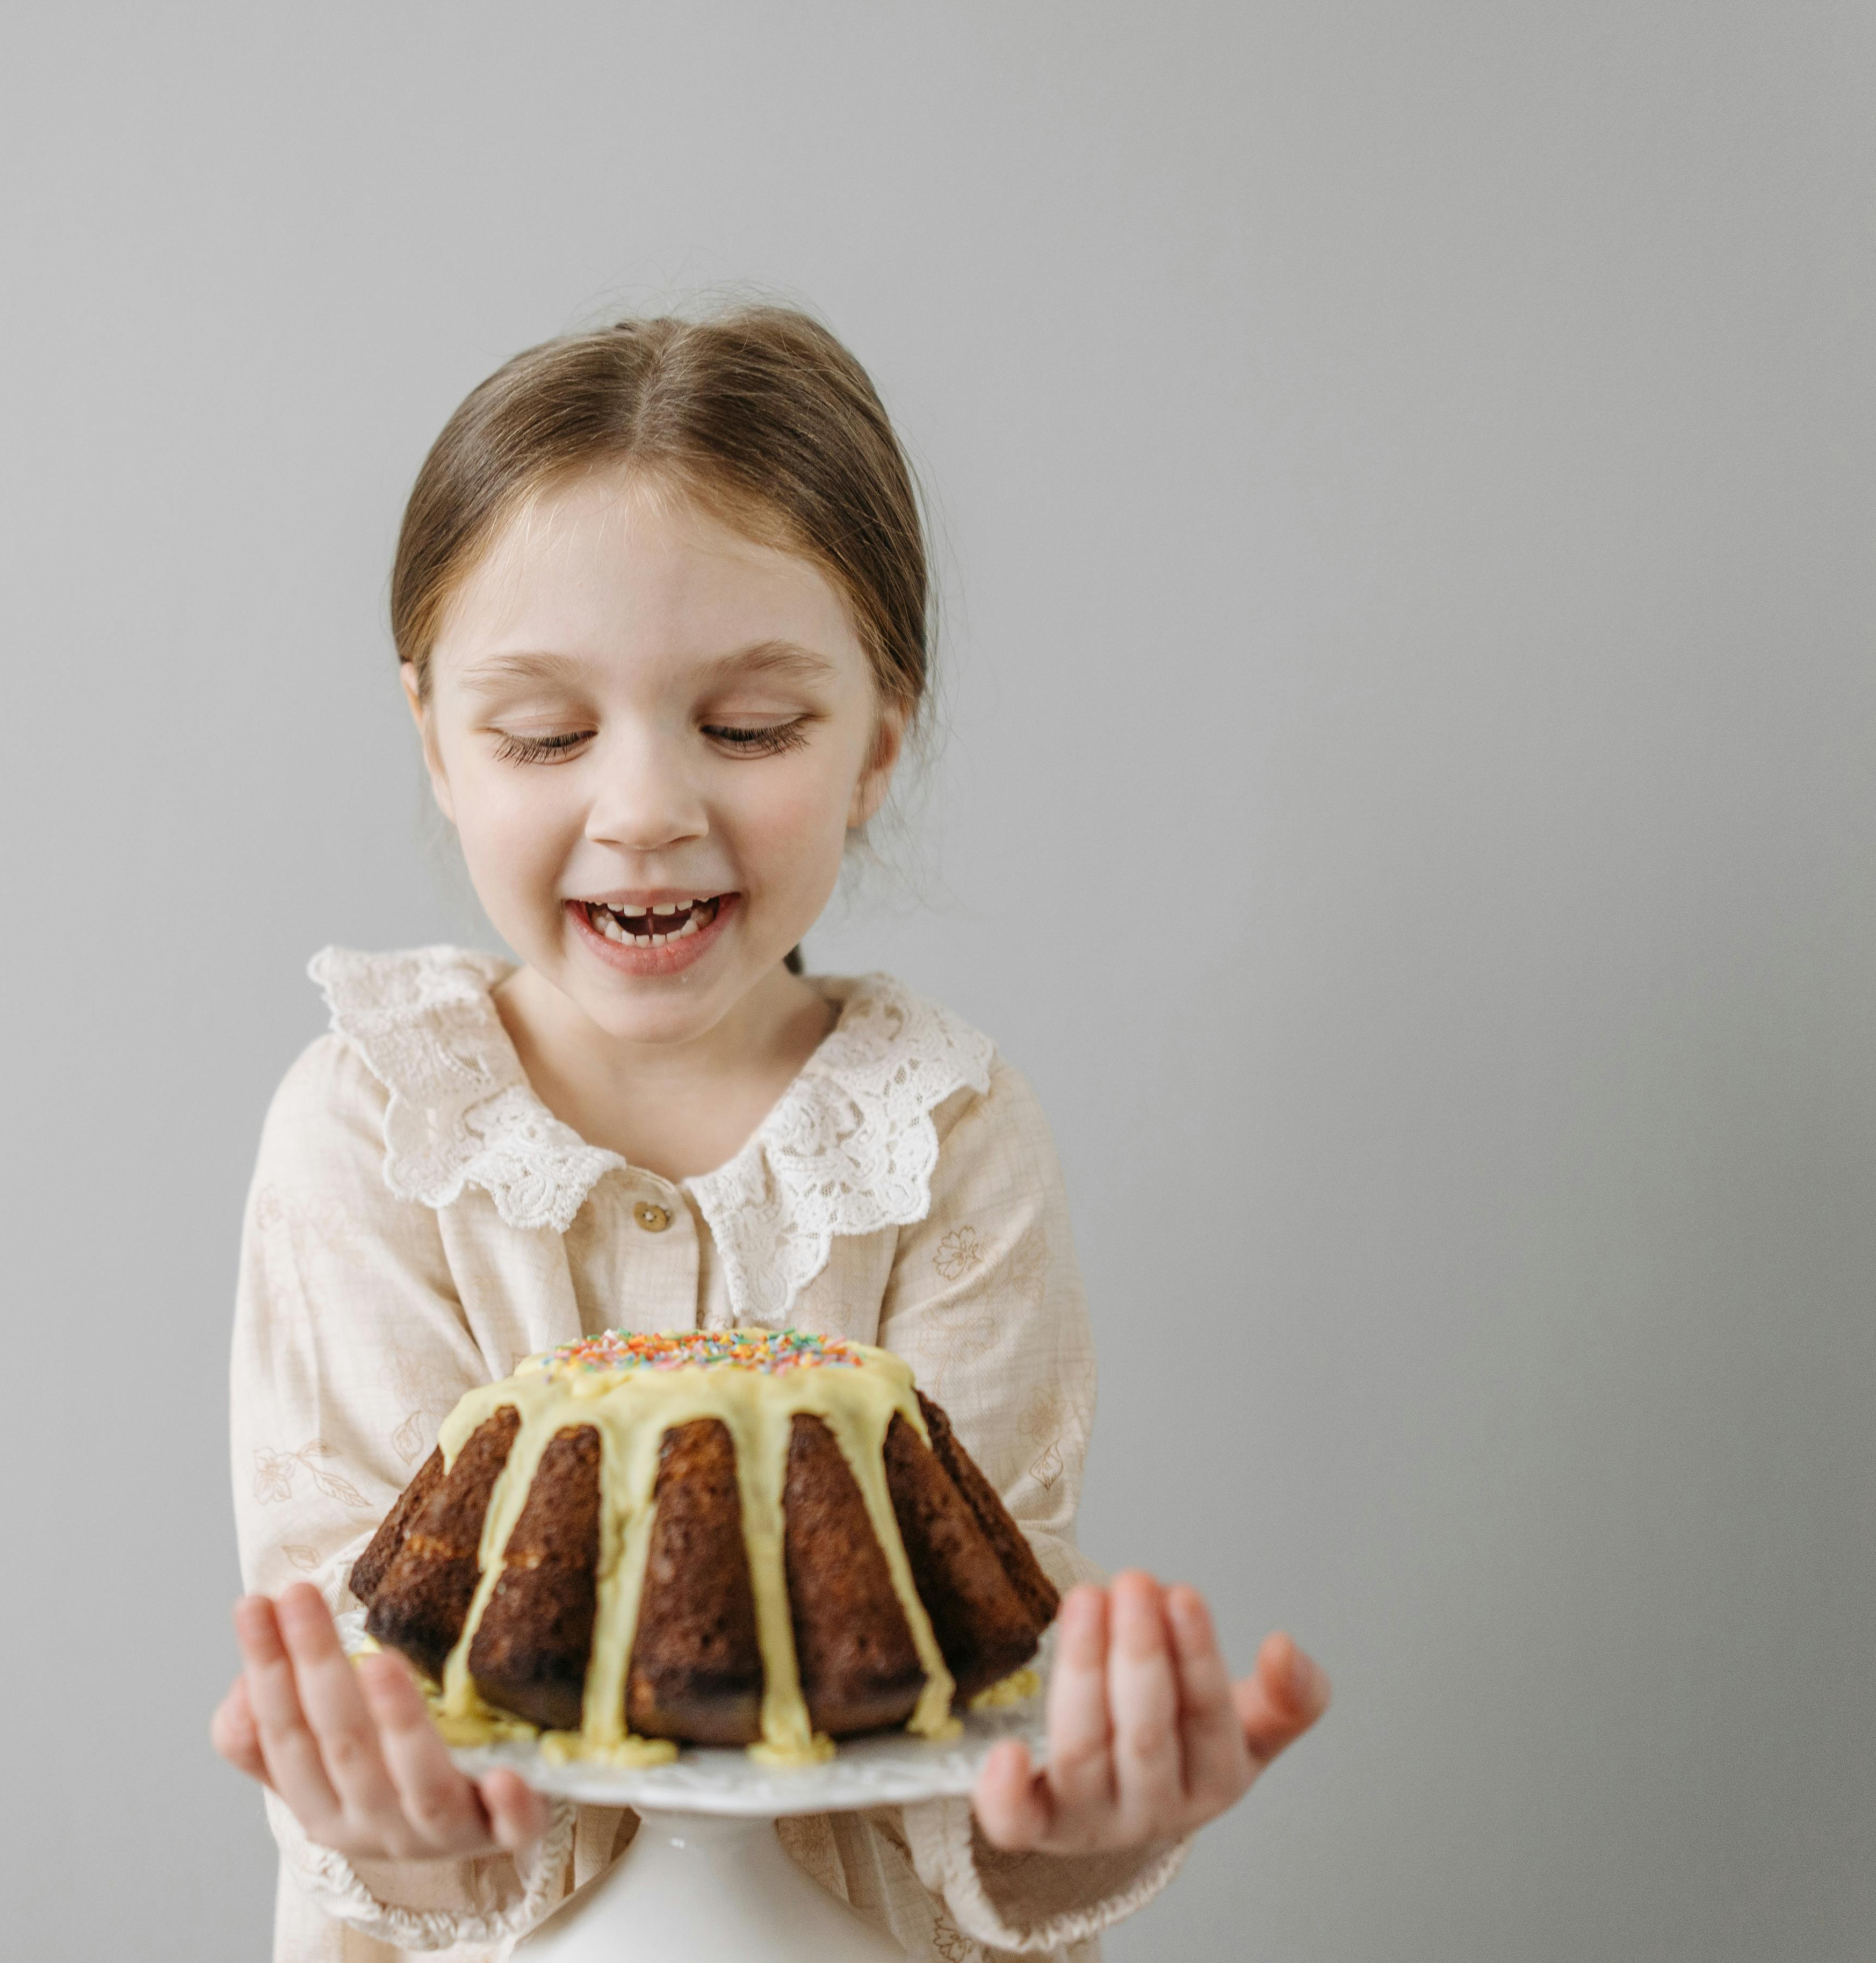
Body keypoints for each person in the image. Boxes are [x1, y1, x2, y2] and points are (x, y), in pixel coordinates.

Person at [210, 306, 1328, 1961]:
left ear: (880, 736)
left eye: (746, 729)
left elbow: (975, 1750)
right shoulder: (379, 1126)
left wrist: (1075, 1840)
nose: (647, 807)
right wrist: (419, 1840)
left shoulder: (943, 1137)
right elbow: (364, 1740)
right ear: (437, 741)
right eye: (543, 735)